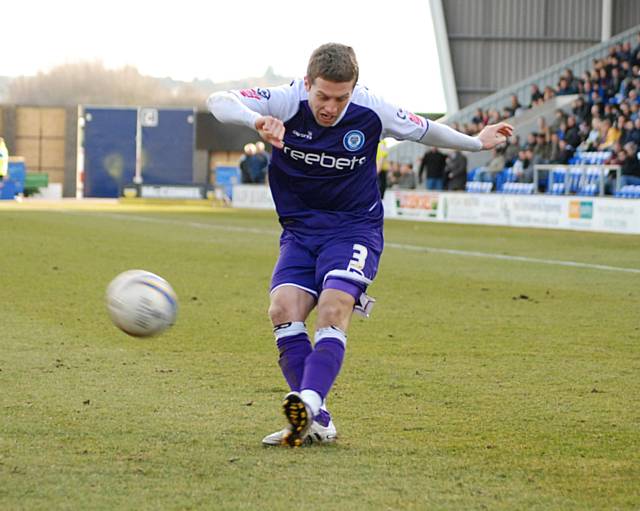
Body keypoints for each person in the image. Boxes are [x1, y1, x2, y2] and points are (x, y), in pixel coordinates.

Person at [207, 42, 512, 448]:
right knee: (282, 309)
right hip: (299, 230)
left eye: (341, 97)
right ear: (307, 83)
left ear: (354, 89)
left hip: (353, 228)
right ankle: (320, 420)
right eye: (322, 96)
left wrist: (476, 142)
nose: (331, 107)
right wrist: (257, 120)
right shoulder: (282, 100)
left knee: (334, 307)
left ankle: (308, 403)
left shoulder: (372, 109)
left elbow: (424, 128)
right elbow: (218, 100)